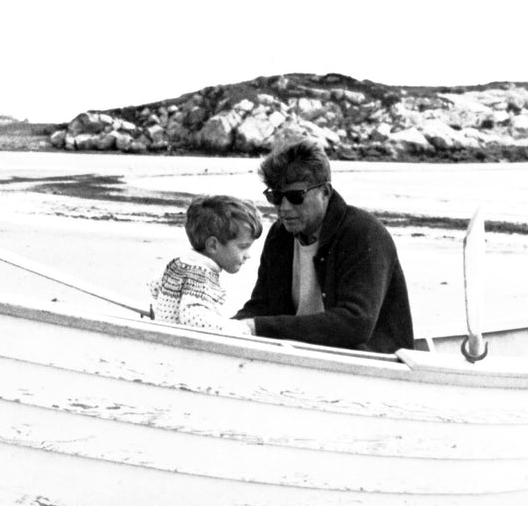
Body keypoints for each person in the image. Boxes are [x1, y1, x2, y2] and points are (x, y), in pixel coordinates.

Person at [234, 138, 414, 353]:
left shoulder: (363, 233)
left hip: (372, 362)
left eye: (295, 196)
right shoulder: (279, 234)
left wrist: (256, 327)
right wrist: (226, 326)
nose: (284, 207)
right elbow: (263, 305)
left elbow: (355, 323)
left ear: (325, 192)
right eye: (276, 196)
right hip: (304, 353)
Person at [150, 195, 263, 335]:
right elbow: (193, 317)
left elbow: (155, 287)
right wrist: (241, 329)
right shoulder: (200, 276)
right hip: (182, 346)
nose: (248, 255)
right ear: (213, 245)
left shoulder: (178, 264)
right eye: (242, 247)